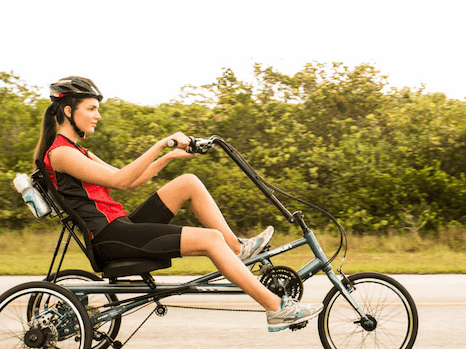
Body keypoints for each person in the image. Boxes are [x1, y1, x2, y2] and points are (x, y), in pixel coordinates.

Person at [34, 76, 321, 332]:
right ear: (69, 112)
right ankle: (276, 308)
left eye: (97, 109)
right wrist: (162, 144)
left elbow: (132, 180)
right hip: (109, 239)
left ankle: (238, 249)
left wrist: (169, 157)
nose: (98, 115)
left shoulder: (78, 152)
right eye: (91, 109)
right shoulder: (61, 154)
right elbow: (121, 181)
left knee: (188, 182)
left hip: (120, 227)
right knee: (210, 239)